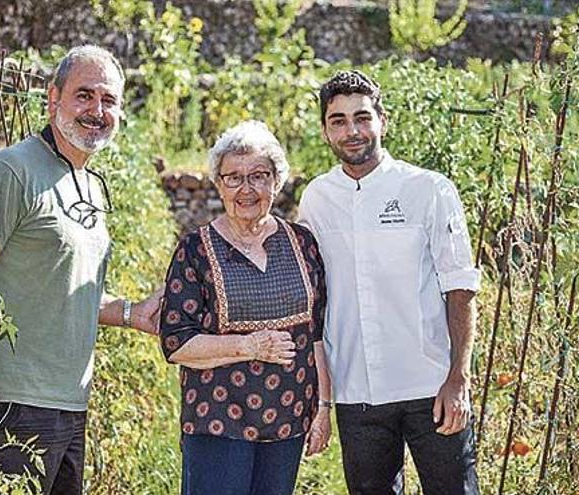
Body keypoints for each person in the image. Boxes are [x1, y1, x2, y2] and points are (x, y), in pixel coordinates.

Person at [0, 45, 160, 495]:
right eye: (84, 95)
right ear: (53, 98)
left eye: (109, 100)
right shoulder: (10, 171)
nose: (96, 111)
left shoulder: (91, 185)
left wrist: (132, 313)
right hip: (12, 404)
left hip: (71, 405)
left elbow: (62, 289)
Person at [297, 70, 481, 495]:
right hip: (357, 391)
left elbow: (460, 287)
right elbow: (312, 295)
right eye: (338, 120)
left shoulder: (429, 190)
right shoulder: (316, 199)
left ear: (383, 120)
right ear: (326, 131)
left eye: (362, 117)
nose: (352, 131)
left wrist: (458, 378)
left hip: (430, 383)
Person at [159, 120, 332, 495]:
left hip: (288, 419)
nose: (246, 189)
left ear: (276, 180)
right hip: (218, 422)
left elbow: (316, 333)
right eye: (234, 178)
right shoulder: (195, 250)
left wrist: (323, 408)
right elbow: (176, 342)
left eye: (258, 176)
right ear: (218, 184)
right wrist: (249, 346)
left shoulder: (302, 243)